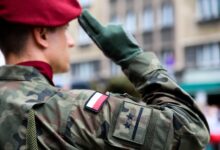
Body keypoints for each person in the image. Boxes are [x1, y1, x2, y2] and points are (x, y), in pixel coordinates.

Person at [0, 0, 209, 149]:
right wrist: (133, 57)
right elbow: (191, 131)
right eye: (64, 30)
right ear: (42, 34)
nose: (71, 42)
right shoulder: (73, 111)